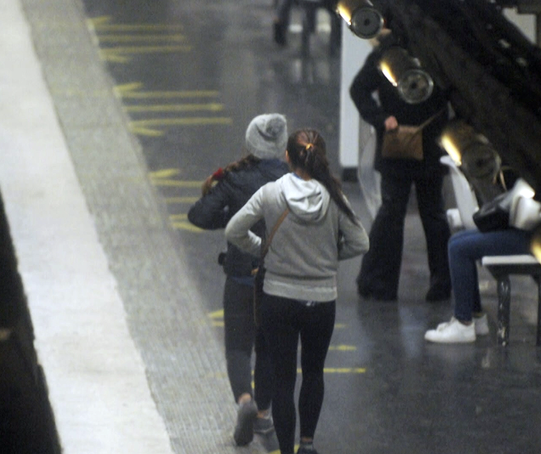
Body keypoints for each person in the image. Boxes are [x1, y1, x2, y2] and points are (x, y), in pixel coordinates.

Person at [225, 128, 369, 454]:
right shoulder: (334, 197)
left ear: (287, 156)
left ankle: (286, 450)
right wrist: (328, 259)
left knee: (283, 378)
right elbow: (361, 241)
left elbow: (235, 229)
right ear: (322, 156)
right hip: (321, 301)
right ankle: (308, 444)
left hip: (279, 298)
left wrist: (263, 248)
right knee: (314, 373)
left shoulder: (271, 193)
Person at [188, 114, 290, 446]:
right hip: (278, 277)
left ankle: (245, 401)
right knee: (269, 349)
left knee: (238, 347)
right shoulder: (293, 180)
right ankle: (262, 416)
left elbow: (199, 215)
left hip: (241, 277)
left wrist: (232, 219)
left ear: (250, 141)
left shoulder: (235, 178)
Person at [350, 30, 452, 302]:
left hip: (396, 145)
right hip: (431, 144)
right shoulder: (438, 52)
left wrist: (382, 119)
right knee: (433, 214)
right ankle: (443, 283)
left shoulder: (388, 54)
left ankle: (379, 283)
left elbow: (358, 89)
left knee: (391, 213)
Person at [424, 228, 532, 343]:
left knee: (459, 249)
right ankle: (476, 317)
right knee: (454, 240)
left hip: (531, 238)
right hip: (525, 233)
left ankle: (463, 323)